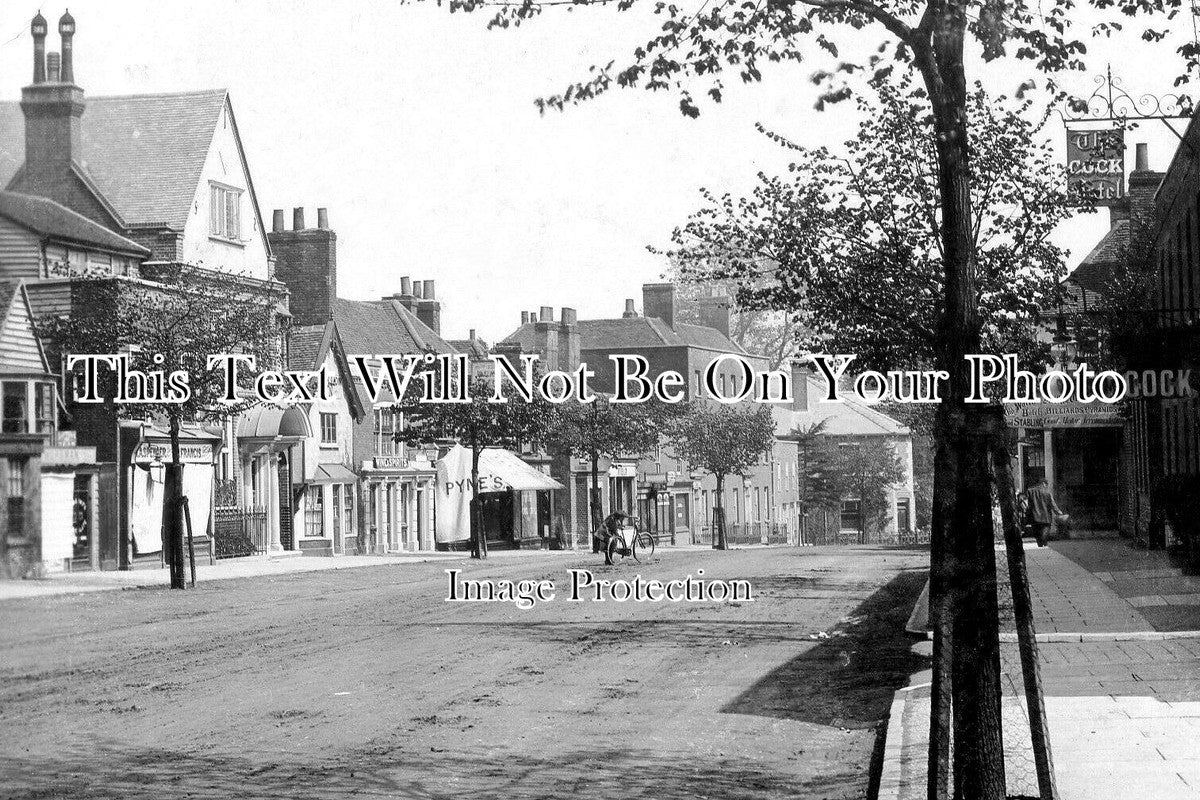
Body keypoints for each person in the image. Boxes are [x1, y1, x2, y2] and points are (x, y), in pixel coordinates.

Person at [1021, 477, 1065, 547]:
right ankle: (1043, 544)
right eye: (1046, 485)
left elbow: (1024, 502)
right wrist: (1059, 512)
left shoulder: (1030, 491)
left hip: (1034, 517)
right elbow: (1053, 504)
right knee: (1044, 534)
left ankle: (1040, 545)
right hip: (1046, 518)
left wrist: (1026, 511)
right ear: (1043, 483)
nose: (1046, 487)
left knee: (1037, 534)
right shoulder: (1047, 493)